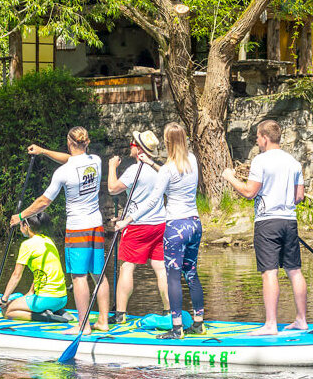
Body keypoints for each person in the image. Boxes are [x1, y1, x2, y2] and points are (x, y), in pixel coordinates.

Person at [10, 126, 110, 334]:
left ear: (69, 142)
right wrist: (43, 151)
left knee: (79, 277)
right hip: (96, 224)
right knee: (98, 275)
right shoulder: (96, 161)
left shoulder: (63, 172)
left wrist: (20, 216)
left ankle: (83, 327)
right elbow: (72, 159)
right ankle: (103, 321)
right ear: (86, 142)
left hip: (78, 228)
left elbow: (44, 202)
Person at [115, 122, 204, 339]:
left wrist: (128, 219)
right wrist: (153, 164)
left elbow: (154, 199)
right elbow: (173, 173)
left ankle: (176, 329)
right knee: (191, 273)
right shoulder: (192, 160)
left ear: (167, 142)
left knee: (173, 277)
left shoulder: (167, 169)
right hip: (194, 223)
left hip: (175, 227)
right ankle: (199, 323)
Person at [222, 119, 307, 335]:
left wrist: (230, 178)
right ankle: (301, 320)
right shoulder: (294, 163)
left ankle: (270, 324)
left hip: (267, 223)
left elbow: (250, 192)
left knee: (269, 272)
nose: (257, 141)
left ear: (265, 138)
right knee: (294, 271)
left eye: (258, 137)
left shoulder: (260, 161)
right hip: (289, 221)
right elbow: (299, 197)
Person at [108, 130, 169, 323]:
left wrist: (111, 167)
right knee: (160, 268)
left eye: (133, 143)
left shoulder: (135, 170)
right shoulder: (159, 170)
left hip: (137, 225)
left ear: (140, 149)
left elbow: (112, 189)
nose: (130, 145)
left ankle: (120, 314)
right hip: (160, 224)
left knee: (127, 267)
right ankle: (168, 312)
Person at [0, 212, 68, 320]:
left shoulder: (27, 245)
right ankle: (57, 310)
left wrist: (4, 299)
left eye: (21, 225)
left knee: (7, 311)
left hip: (45, 299)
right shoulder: (48, 241)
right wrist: (30, 292)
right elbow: (41, 271)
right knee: (22, 301)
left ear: (26, 226)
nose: (20, 228)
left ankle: (46, 317)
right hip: (62, 299)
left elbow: (16, 275)